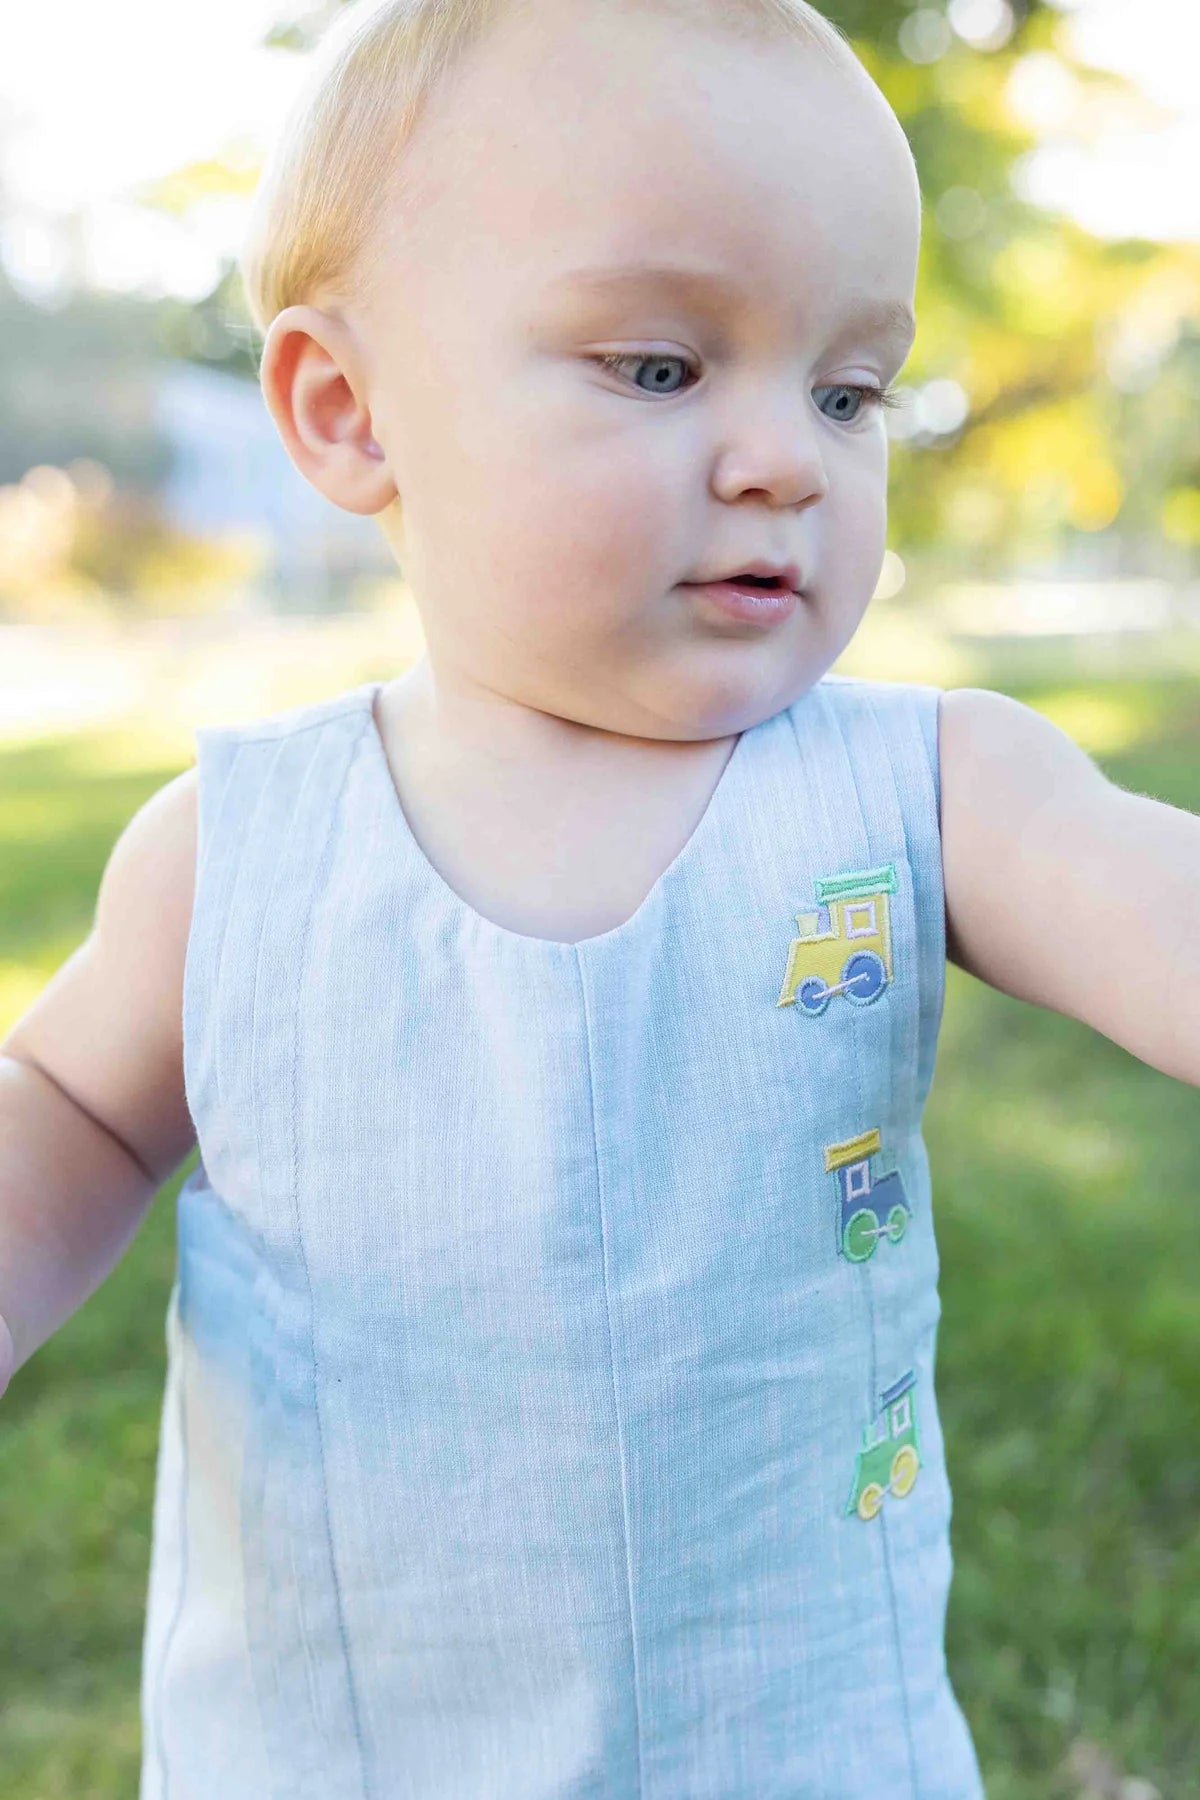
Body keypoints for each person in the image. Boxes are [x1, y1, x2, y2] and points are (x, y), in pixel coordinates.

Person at [1, 0, 1197, 1793]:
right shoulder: (239, 853)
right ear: (348, 412)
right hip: (342, 1751)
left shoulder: (931, 788)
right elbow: (65, 1111)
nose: (788, 457)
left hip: (802, 1749)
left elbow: (1147, 899)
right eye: (658, 368)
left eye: (849, 390)